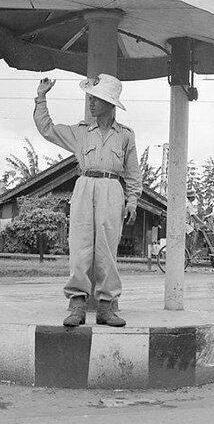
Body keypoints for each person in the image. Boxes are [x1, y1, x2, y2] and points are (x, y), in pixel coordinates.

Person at [34, 73, 142, 328]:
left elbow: (133, 173)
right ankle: (77, 306)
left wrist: (132, 201)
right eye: (90, 98)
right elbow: (47, 129)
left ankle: (106, 307)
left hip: (112, 189)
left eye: (96, 99)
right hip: (84, 186)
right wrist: (41, 97)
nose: (91, 103)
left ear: (109, 103)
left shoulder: (126, 135)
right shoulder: (81, 132)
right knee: (80, 248)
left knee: (107, 249)